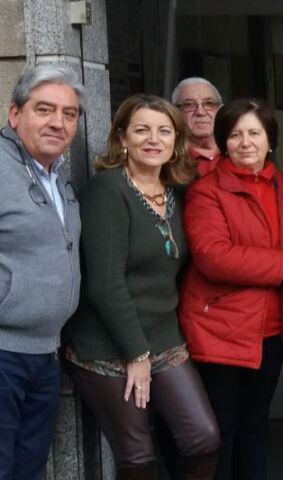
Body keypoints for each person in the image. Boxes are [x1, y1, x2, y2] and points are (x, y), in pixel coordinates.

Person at [61, 94, 219, 479]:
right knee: (138, 457)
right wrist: (137, 354)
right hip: (108, 345)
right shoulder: (107, 192)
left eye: (164, 131)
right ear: (122, 138)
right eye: (142, 130)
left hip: (164, 338)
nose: (154, 139)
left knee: (203, 438)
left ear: (176, 141)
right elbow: (105, 284)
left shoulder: (178, 193)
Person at [180, 98, 283, 479]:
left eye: (255, 133)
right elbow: (213, 257)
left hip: (271, 331)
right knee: (221, 432)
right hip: (220, 330)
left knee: (256, 426)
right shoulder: (206, 192)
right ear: (223, 142)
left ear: (270, 140)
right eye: (235, 135)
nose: (246, 142)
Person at [0, 64, 83, 480]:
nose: (58, 122)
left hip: (43, 355)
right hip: (3, 353)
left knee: (27, 470)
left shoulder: (55, 175)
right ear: (15, 114)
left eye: (69, 114)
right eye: (45, 109)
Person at [172, 77, 224, 176]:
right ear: (175, 112)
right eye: (189, 104)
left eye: (209, 103)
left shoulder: (236, 152)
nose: (200, 112)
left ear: (220, 110)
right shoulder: (169, 158)